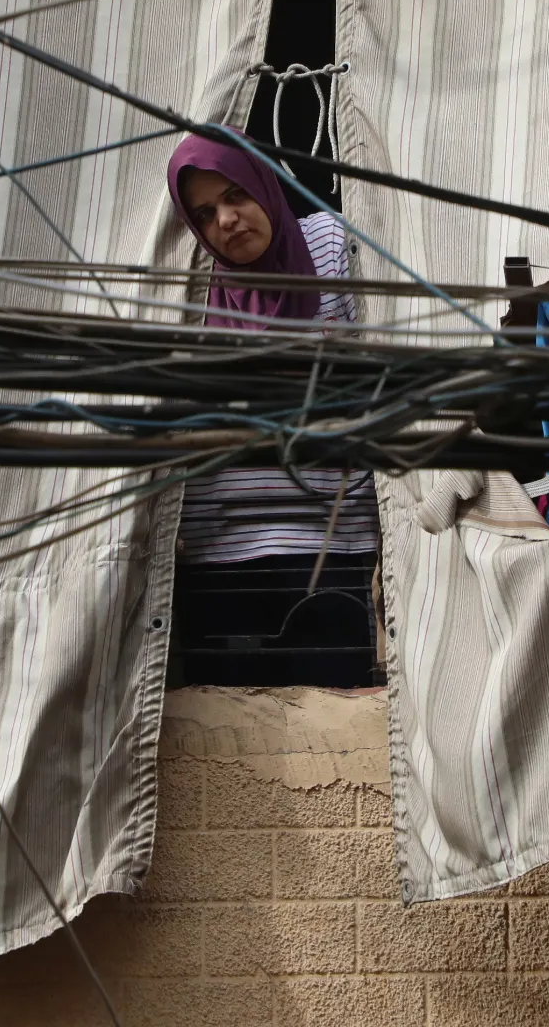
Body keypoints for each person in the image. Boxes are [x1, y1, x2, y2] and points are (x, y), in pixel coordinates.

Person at [165, 132, 380, 688]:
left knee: (333, 729)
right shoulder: (189, 289)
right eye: (207, 213)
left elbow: (381, 373)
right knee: (228, 740)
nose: (227, 221)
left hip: (329, 541)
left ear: (265, 182)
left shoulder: (332, 248)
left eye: (236, 194)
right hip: (219, 552)